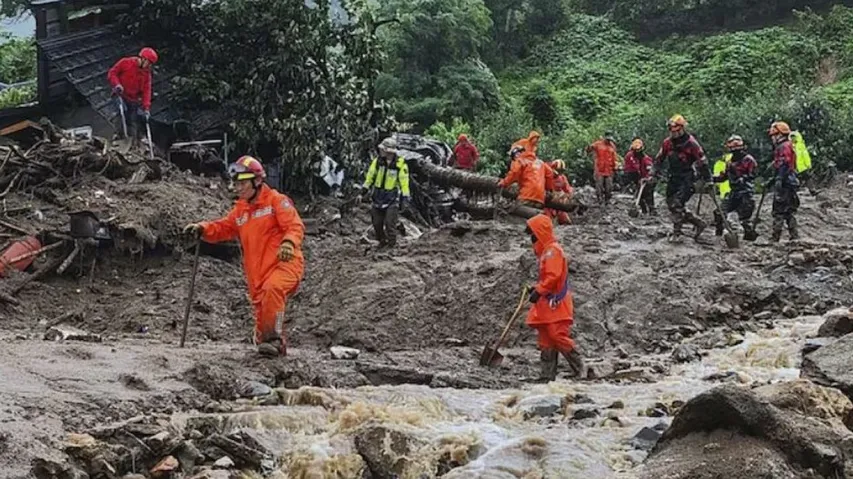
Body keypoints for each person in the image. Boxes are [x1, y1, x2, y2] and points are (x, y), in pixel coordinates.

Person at [183, 156, 304, 357]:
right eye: (235, 183)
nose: (236, 188)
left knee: (272, 290)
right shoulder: (241, 210)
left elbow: (294, 226)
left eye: (241, 183)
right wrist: (202, 228)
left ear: (256, 181)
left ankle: (275, 341)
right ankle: (268, 352)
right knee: (261, 316)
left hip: (284, 264)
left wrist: (288, 243)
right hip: (257, 272)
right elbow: (223, 228)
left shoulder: (276, 201)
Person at [525, 214, 585, 381]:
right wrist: (536, 289)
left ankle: (581, 368)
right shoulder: (547, 251)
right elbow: (549, 278)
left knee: (557, 335)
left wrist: (540, 290)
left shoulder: (552, 251)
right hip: (548, 302)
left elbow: (553, 276)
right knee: (546, 338)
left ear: (540, 232)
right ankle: (547, 375)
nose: (531, 238)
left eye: (533, 233)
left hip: (555, 302)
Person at [653, 114, 709, 239]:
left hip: (687, 177)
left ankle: (677, 232)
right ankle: (697, 222)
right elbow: (659, 159)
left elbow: (702, 161)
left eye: (677, 131)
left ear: (683, 128)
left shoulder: (691, 143)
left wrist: (708, 179)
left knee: (677, 204)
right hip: (673, 177)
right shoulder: (667, 143)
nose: (674, 133)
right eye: (672, 131)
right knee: (670, 203)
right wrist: (653, 172)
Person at [362, 137, 411, 247]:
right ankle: (382, 241)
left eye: (383, 149)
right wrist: (364, 189)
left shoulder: (400, 164)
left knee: (390, 223)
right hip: (378, 196)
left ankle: (392, 246)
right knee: (377, 223)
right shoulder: (377, 162)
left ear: (389, 151)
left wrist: (405, 198)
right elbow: (370, 177)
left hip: (392, 198)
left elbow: (404, 182)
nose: (380, 151)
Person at [107, 47, 158, 142]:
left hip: (133, 99)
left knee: (133, 120)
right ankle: (119, 137)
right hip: (120, 94)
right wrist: (117, 84)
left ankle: (133, 141)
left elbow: (147, 91)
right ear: (143, 59)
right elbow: (112, 73)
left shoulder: (146, 74)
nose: (149, 66)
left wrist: (146, 107)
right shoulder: (126, 62)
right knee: (122, 113)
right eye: (149, 63)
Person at [712, 135, 758, 240]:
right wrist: (712, 179)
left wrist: (743, 178)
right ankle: (718, 235)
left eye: (738, 149)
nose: (736, 151)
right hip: (734, 192)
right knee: (719, 212)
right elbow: (724, 177)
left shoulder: (749, 160)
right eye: (733, 149)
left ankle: (750, 239)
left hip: (746, 192)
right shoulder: (729, 162)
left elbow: (753, 174)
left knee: (745, 219)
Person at [768, 121, 800, 241]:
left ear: (779, 135)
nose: (772, 138)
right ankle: (794, 236)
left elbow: (784, 163)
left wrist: (779, 179)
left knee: (779, 211)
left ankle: (775, 237)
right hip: (790, 181)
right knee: (788, 211)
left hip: (785, 182)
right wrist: (772, 180)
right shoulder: (788, 145)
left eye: (773, 136)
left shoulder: (783, 146)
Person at [623, 138, 655, 215]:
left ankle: (652, 210)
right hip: (639, 178)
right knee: (639, 195)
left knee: (648, 194)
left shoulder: (646, 159)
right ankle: (644, 210)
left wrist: (646, 178)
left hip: (648, 179)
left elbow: (650, 170)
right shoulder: (634, 158)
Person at [587, 132, 619, 205]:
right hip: (599, 168)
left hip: (609, 169)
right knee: (599, 185)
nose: (608, 141)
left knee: (609, 187)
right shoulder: (597, 144)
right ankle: (600, 200)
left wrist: (615, 166)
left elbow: (614, 157)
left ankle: (607, 200)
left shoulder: (612, 146)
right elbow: (589, 150)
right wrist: (588, 148)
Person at [545, 160, 574, 225]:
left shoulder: (563, 178)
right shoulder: (546, 176)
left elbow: (568, 190)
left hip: (559, 202)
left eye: (561, 171)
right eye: (559, 170)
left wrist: (568, 197)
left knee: (566, 221)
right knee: (548, 221)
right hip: (548, 203)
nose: (559, 172)